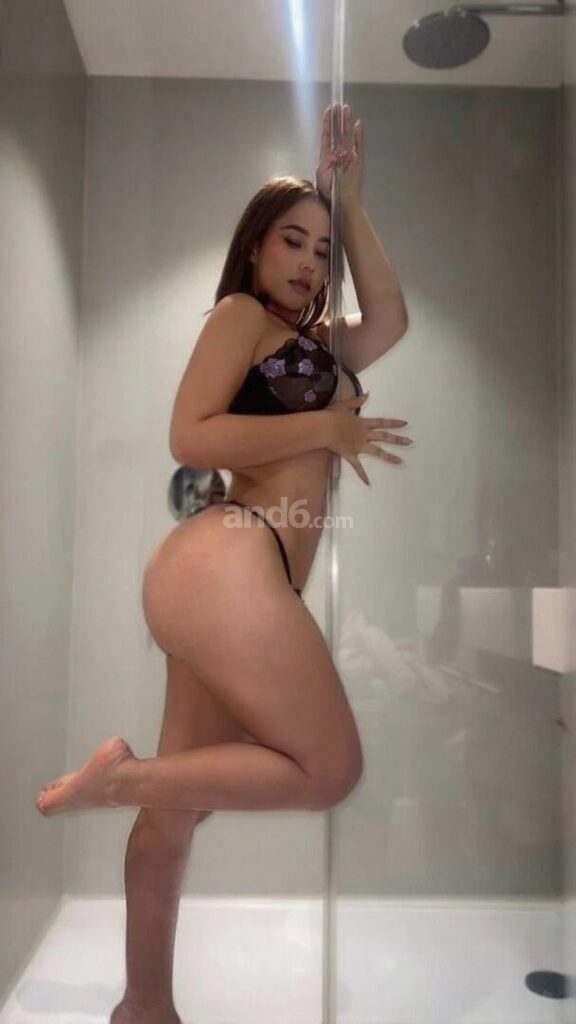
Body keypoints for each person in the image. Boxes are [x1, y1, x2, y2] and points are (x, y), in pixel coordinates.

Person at [35, 103, 411, 1024]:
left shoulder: (319, 347)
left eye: (323, 250)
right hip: (229, 556)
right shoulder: (241, 316)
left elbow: (392, 318)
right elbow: (188, 435)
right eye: (293, 241)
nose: (310, 263)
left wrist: (352, 204)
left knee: (175, 815)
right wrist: (325, 430)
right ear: (253, 249)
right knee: (330, 770)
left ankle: (144, 1007)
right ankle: (118, 777)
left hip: (233, 573)